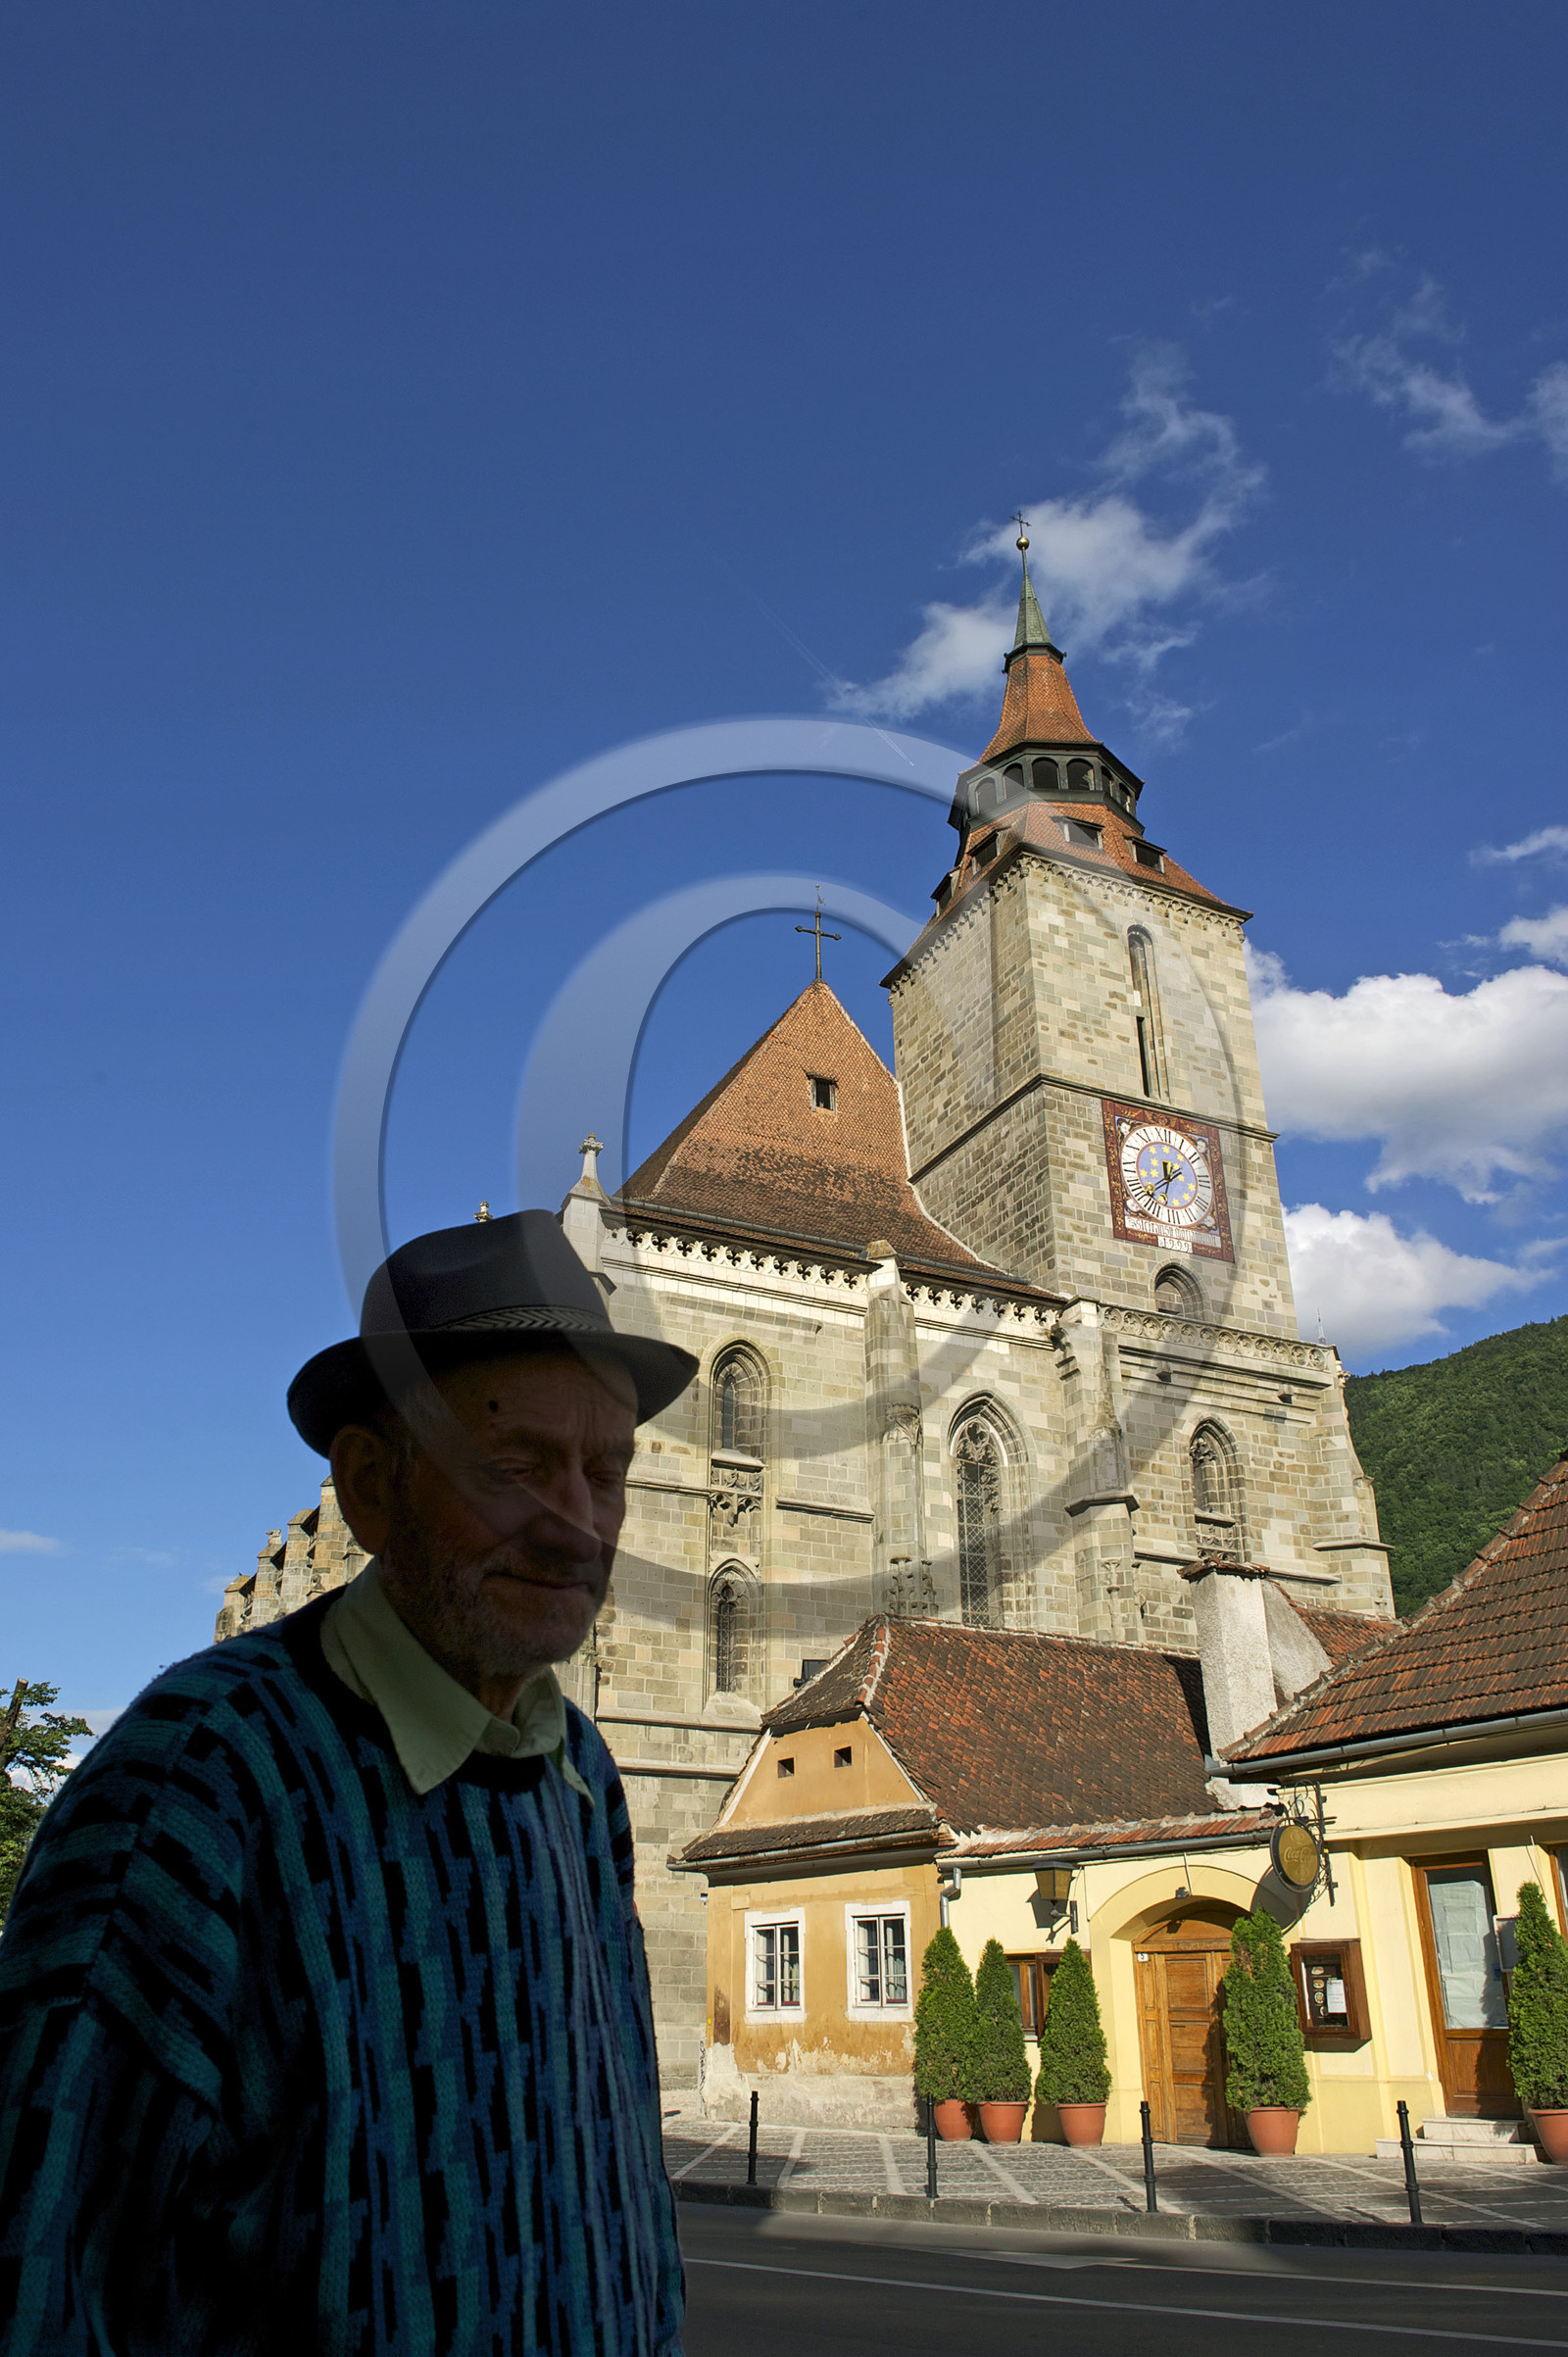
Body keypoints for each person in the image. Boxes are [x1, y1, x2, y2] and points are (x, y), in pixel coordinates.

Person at [0, 1211, 696, 2356]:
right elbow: (39, 2264)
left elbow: (619, 2208)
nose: (577, 1524)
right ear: (370, 1487)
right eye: (512, 1466)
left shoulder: (585, 1775)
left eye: (605, 1470)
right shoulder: (197, 1776)